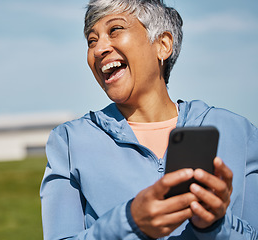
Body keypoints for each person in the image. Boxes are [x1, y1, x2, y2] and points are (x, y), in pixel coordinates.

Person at [40, 0, 258, 239]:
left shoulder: (238, 132)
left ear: (163, 45)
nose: (99, 49)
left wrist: (215, 225)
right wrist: (129, 221)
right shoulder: (69, 142)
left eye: (115, 30)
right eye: (92, 40)